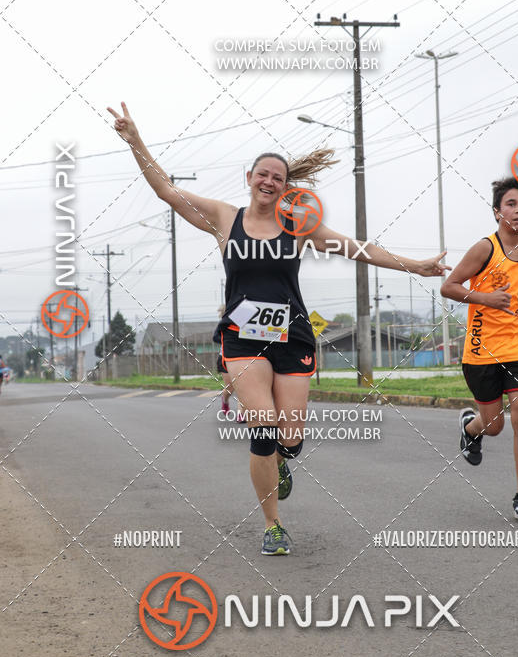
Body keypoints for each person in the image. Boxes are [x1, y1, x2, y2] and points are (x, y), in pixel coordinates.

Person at [108, 102, 449, 555]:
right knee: (263, 428)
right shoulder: (224, 218)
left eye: (278, 178)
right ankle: (273, 525)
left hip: (293, 337)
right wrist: (135, 140)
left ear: (286, 187)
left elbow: (357, 248)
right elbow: (166, 191)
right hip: (242, 338)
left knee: (290, 436)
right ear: (249, 178)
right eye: (262, 174)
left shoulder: (298, 224)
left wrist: (416, 266)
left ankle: (284, 459)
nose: (269, 182)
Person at [441, 176, 518, 522]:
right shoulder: (484, 249)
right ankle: (470, 428)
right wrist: (485, 298)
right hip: (481, 351)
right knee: (494, 425)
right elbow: (449, 286)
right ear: (497, 212)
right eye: (512, 204)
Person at [216, 305, 245, 423]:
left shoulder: (244, 324)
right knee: (230, 388)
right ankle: (225, 399)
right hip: (225, 358)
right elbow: (216, 338)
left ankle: (241, 414)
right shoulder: (223, 325)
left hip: (240, 358)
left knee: (241, 387)